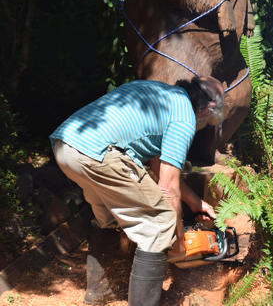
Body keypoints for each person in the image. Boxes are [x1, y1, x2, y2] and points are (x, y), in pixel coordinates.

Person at [49, 75, 225, 306]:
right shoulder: (184, 118)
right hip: (98, 153)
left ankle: (101, 291)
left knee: (109, 217)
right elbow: (168, 188)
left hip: (67, 146)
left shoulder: (157, 93)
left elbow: (159, 164)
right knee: (160, 223)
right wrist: (179, 243)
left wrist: (195, 202)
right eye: (209, 122)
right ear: (208, 109)